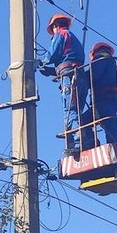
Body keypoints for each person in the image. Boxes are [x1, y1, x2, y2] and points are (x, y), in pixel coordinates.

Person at [40, 13, 85, 152]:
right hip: (79, 76)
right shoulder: (73, 39)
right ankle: (74, 142)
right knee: (75, 109)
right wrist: (51, 71)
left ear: (55, 26)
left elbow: (52, 54)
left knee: (70, 109)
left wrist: (41, 62)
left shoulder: (61, 34)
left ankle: (77, 143)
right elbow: (67, 60)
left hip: (70, 76)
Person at [81, 42, 117, 148]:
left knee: (84, 120)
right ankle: (115, 146)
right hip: (113, 100)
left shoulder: (99, 60)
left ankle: (91, 142)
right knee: (110, 123)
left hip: (101, 100)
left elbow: (93, 75)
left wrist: (80, 78)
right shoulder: (114, 63)